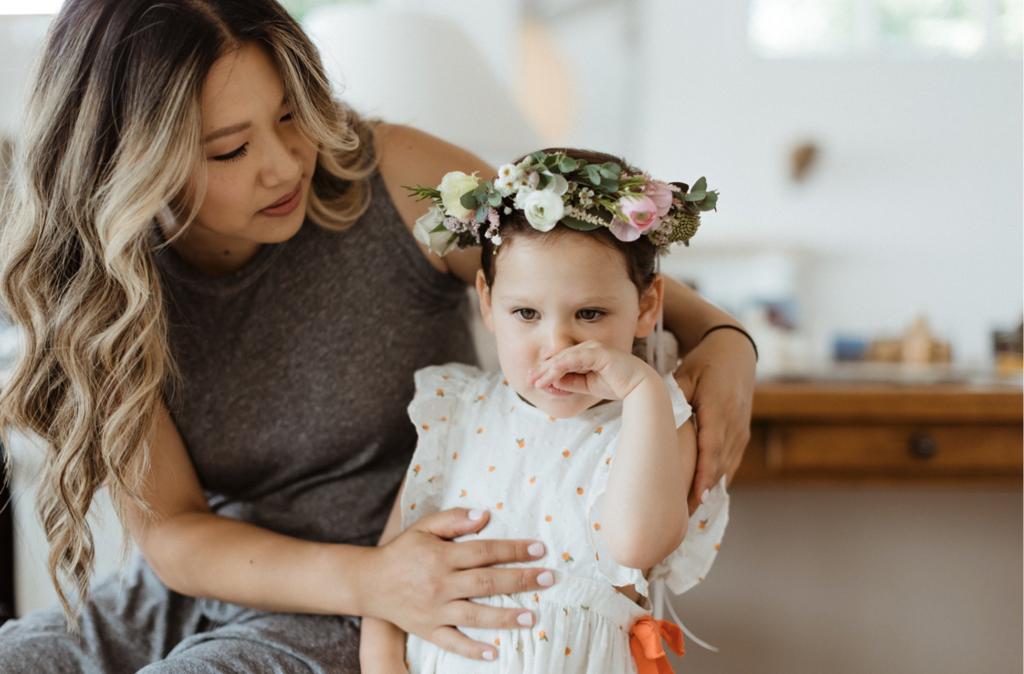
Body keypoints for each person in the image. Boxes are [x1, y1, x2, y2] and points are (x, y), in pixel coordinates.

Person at [0, 1, 755, 672]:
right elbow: (177, 537)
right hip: (222, 585)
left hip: (404, 593)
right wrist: (374, 581)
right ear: (127, 167)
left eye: (291, 112)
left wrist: (725, 339)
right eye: (230, 149)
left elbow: (577, 261)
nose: (287, 161)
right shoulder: (102, 292)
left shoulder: (389, 175)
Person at [359, 150, 730, 673]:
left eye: (590, 313)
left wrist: (641, 388)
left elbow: (636, 543)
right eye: (526, 313)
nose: (557, 343)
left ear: (646, 307)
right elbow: (388, 573)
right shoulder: (457, 410)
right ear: (487, 302)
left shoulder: (654, 421)